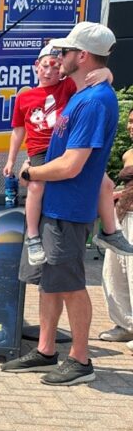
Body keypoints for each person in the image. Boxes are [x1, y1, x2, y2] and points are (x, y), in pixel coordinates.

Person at [3, 23, 121, 385]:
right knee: (50, 282)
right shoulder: (87, 93)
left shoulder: (95, 101)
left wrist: (30, 175)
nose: (59, 58)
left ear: (81, 56)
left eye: (65, 53)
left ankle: (81, 360)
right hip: (57, 206)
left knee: (70, 284)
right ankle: (46, 350)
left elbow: (72, 164)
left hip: (69, 207)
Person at [3, 43, 132, 263]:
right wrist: (11, 160)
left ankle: (109, 232)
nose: (50, 71)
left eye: (55, 66)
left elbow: (92, 81)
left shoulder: (67, 87)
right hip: (39, 151)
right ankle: (32, 236)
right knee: (35, 186)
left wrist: (106, 73)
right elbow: (18, 131)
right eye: (45, 66)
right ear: (36, 66)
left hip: (66, 148)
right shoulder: (24, 98)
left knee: (107, 185)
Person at [98, 110, 133, 347]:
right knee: (113, 273)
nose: (131, 126)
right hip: (121, 214)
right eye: (130, 121)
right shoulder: (128, 153)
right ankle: (125, 325)